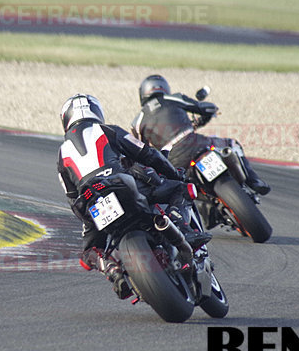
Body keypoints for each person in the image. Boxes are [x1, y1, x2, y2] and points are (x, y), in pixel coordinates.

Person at [56, 93, 211, 299]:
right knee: (180, 189)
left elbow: (71, 195)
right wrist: (174, 174)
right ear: (96, 112)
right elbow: (147, 153)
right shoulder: (107, 130)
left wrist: (88, 219)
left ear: (66, 119)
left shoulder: (61, 152)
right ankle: (182, 228)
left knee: (90, 251)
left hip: (89, 201)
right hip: (120, 184)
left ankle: (112, 270)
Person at [130, 75, 270, 195]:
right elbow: (205, 107)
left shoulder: (137, 121)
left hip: (172, 161)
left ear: (143, 93)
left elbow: (140, 152)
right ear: (164, 88)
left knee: (179, 191)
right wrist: (209, 111)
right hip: (195, 143)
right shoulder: (172, 98)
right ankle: (254, 180)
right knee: (233, 144)